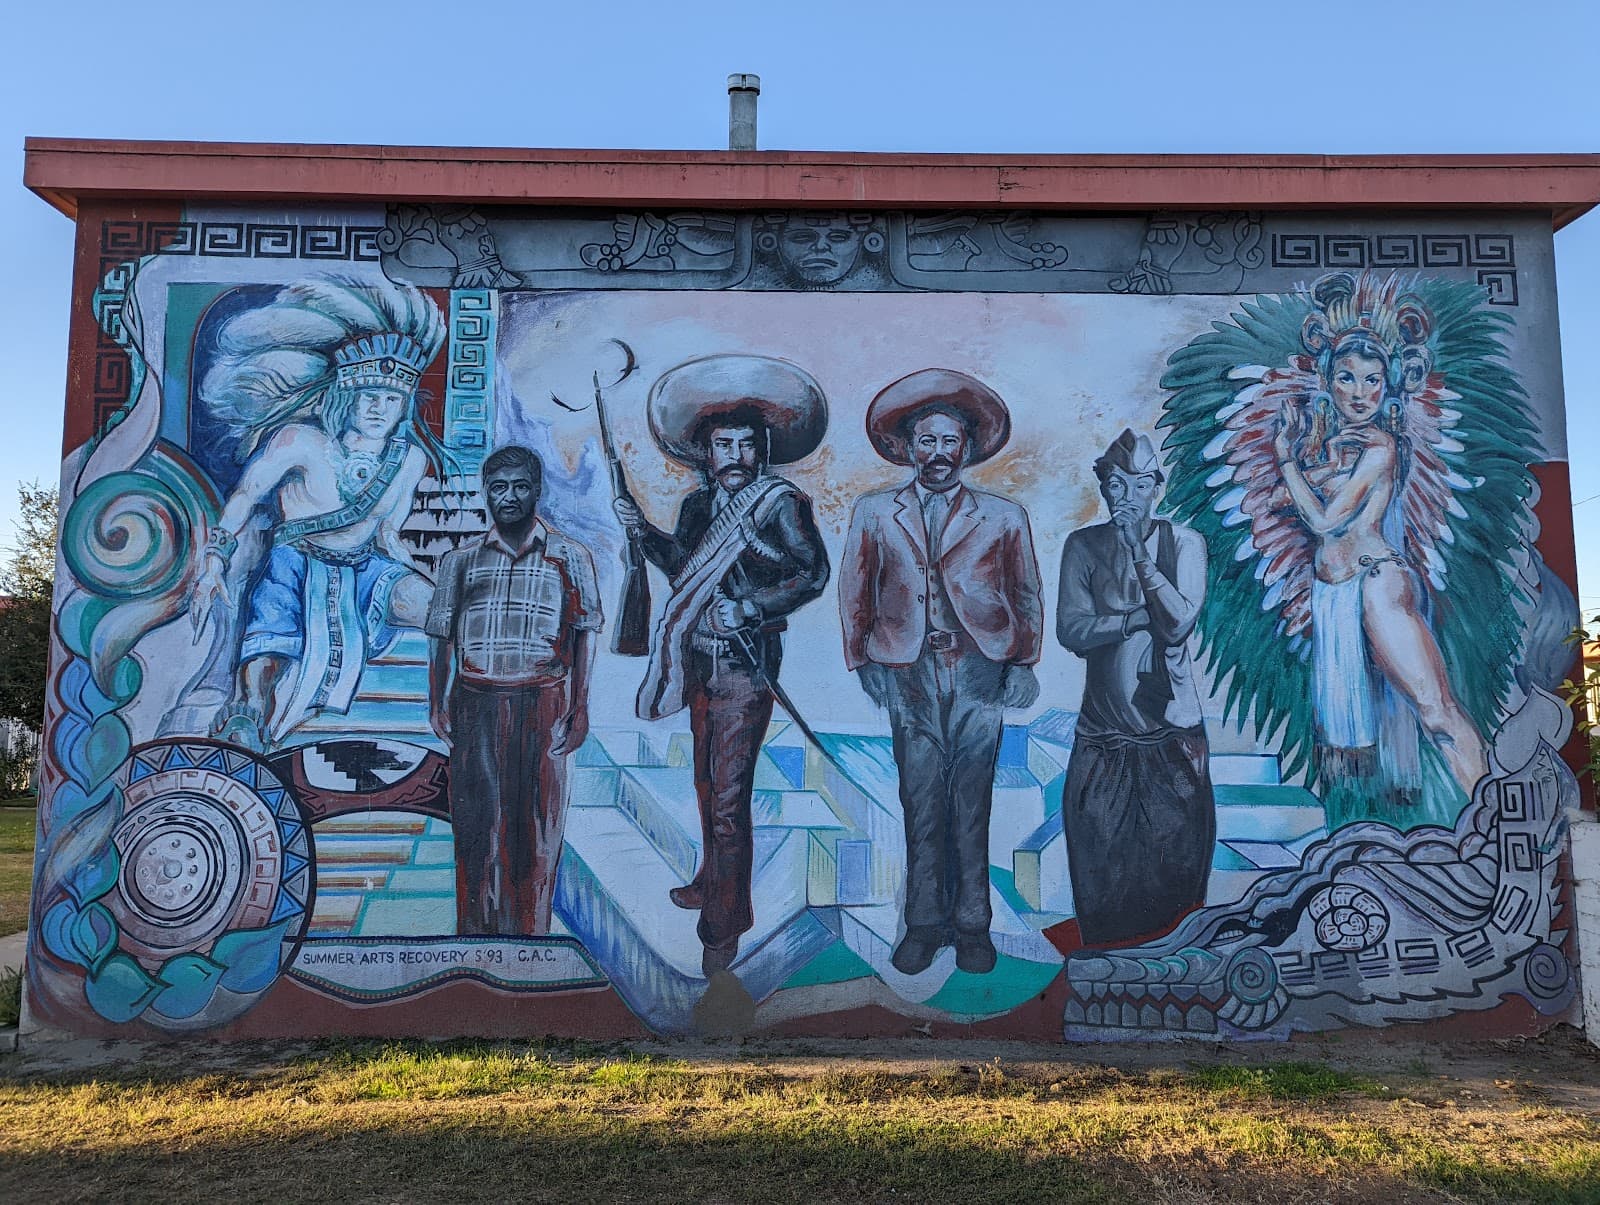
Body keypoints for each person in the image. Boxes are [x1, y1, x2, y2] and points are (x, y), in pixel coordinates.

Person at [614, 354, 830, 976]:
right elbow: (685, 571)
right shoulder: (696, 510)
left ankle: (722, 927)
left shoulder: (781, 504)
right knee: (707, 784)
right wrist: (642, 533)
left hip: (744, 663)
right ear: (706, 454)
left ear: (761, 452)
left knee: (730, 797)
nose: (733, 455)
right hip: (696, 660)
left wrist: (752, 609)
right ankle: (712, 881)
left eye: (744, 444)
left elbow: (810, 573)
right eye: (722, 445)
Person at [839, 369, 1043, 976]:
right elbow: (856, 589)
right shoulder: (875, 512)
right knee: (921, 799)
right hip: (907, 673)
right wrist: (862, 661)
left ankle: (973, 925)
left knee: (973, 800)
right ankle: (924, 924)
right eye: (925, 442)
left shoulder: (1003, 516)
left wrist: (1023, 662)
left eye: (948, 441)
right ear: (907, 448)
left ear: (967, 448)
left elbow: (1026, 591)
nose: (937, 455)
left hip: (980, 670)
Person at [187, 280, 446, 752]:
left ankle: (454, 715)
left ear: (403, 404)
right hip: (295, 566)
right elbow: (246, 495)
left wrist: (418, 572)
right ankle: (246, 723)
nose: (377, 408)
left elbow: (389, 532)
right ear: (347, 394)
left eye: (389, 399)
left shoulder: (409, 459)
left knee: (442, 613)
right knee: (264, 667)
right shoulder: (299, 440)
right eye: (368, 395)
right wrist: (213, 561)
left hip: (367, 570)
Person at [1274, 275, 1489, 795]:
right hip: (1336, 593)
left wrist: (1287, 459)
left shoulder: (1379, 448)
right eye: (1347, 378)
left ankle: (1493, 817)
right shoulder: (1342, 445)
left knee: (1435, 710)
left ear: (1389, 385)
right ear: (1328, 382)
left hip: (1377, 586)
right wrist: (1311, 472)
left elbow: (1323, 522)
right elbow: (1293, 504)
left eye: (1373, 381)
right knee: (1399, 725)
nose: (1360, 393)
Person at [425, 445, 600, 936]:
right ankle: (474, 936)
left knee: (537, 831)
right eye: (498, 488)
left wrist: (580, 707)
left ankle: (530, 938)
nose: (509, 497)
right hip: (475, 701)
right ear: (486, 492)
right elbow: (441, 636)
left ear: (537, 491)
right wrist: (437, 699)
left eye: (520, 486)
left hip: (543, 702)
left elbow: (584, 632)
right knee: (477, 827)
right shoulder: (459, 561)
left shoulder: (570, 556)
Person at [1056, 429, 1214, 946]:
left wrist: (1140, 558)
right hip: (1102, 737)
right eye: (1114, 485)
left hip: (1170, 736)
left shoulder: (1185, 544)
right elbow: (1072, 630)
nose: (1124, 497)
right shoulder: (1082, 546)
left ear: (1155, 488)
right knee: (1099, 871)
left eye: (1136, 485)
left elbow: (1176, 624)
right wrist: (1130, 621)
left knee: (1177, 871)